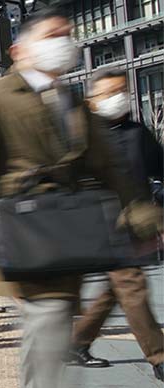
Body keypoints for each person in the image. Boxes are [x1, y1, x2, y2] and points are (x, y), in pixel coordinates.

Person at [0, 10, 161, 387]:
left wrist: (144, 219)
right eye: (53, 34)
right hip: (25, 227)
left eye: (67, 34)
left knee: (56, 314)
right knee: (49, 312)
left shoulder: (72, 101)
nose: (64, 41)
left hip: (70, 228)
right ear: (19, 49)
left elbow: (112, 169)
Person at [67, 68, 164, 380]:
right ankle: (159, 358)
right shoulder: (82, 136)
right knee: (131, 285)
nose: (117, 98)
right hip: (99, 223)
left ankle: (76, 343)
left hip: (135, 222)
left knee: (116, 290)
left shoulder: (138, 132)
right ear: (92, 99)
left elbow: (159, 167)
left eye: (121, 90)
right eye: (108, 93)